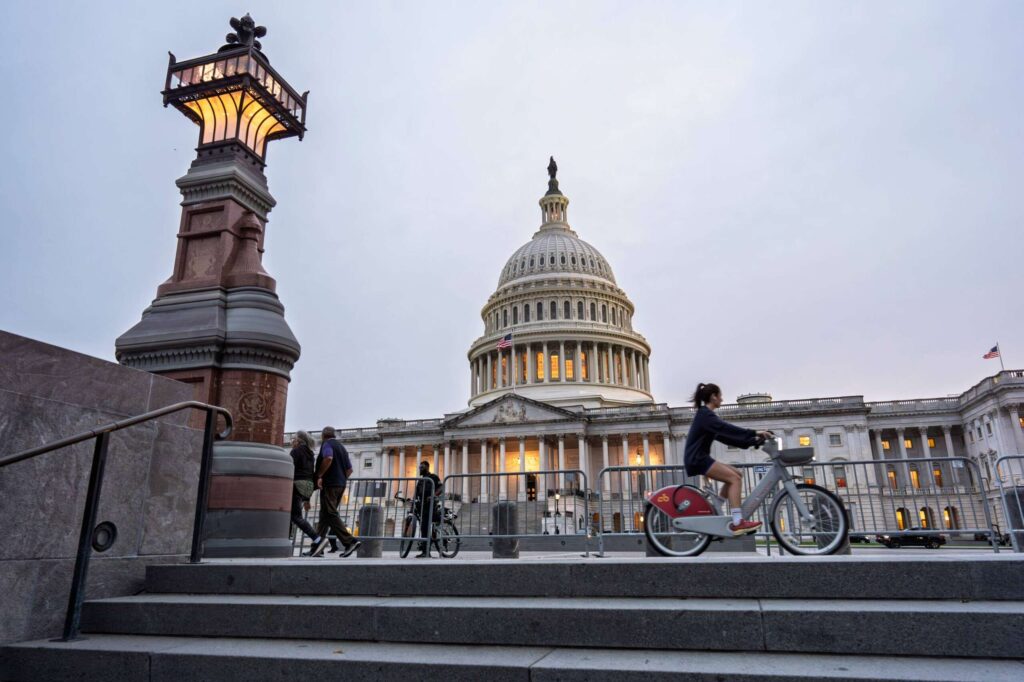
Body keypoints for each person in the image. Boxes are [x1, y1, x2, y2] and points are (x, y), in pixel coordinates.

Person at [683, 382, 772, 535]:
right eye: (720, 396)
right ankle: (738, 521)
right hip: (698, 459)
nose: (722, 400)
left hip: (699, 458)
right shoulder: (706, 415)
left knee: (737, 474)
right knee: (734, 479)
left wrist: (752, 442)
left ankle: (718, 504)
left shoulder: (706, 416)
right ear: (713, 397)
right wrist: (754, 432)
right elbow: (727, 428)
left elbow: (726, 438)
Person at [306, 427, 361, 558]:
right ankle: (316, 548)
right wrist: (341, 479)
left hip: (330, 485)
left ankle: (350, 542)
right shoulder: (342, 447)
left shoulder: (327, 444)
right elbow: (349, 470)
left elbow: (328, 457)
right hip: (340, 484)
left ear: (323, 435)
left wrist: (319, 475)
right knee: (324, 517)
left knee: (330, 513)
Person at [289, 431, 323, 548]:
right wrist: (307, 498)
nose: (291, 442)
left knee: (295, 516)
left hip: (297, 484)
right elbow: (309, 472)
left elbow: (289, 468)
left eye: (293, 439)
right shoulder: (310, 453)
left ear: (298, 440)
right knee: (289, 513)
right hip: (307, 486)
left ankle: (317, 539)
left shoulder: (296, 451)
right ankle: (287, 539)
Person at [412, 460, 442, 558]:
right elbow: (416, 494)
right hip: (422, 506)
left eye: (422, 467)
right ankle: (425, 550)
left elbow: (441, 488)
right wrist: (412, 502)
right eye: (419, 467)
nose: (420, 469)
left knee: (425, 526)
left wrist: (433, 495)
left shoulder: (433, 477)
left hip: (431, 504)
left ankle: (426, 550)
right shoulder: (420, 481)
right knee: (423, 528)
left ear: (427, 468)